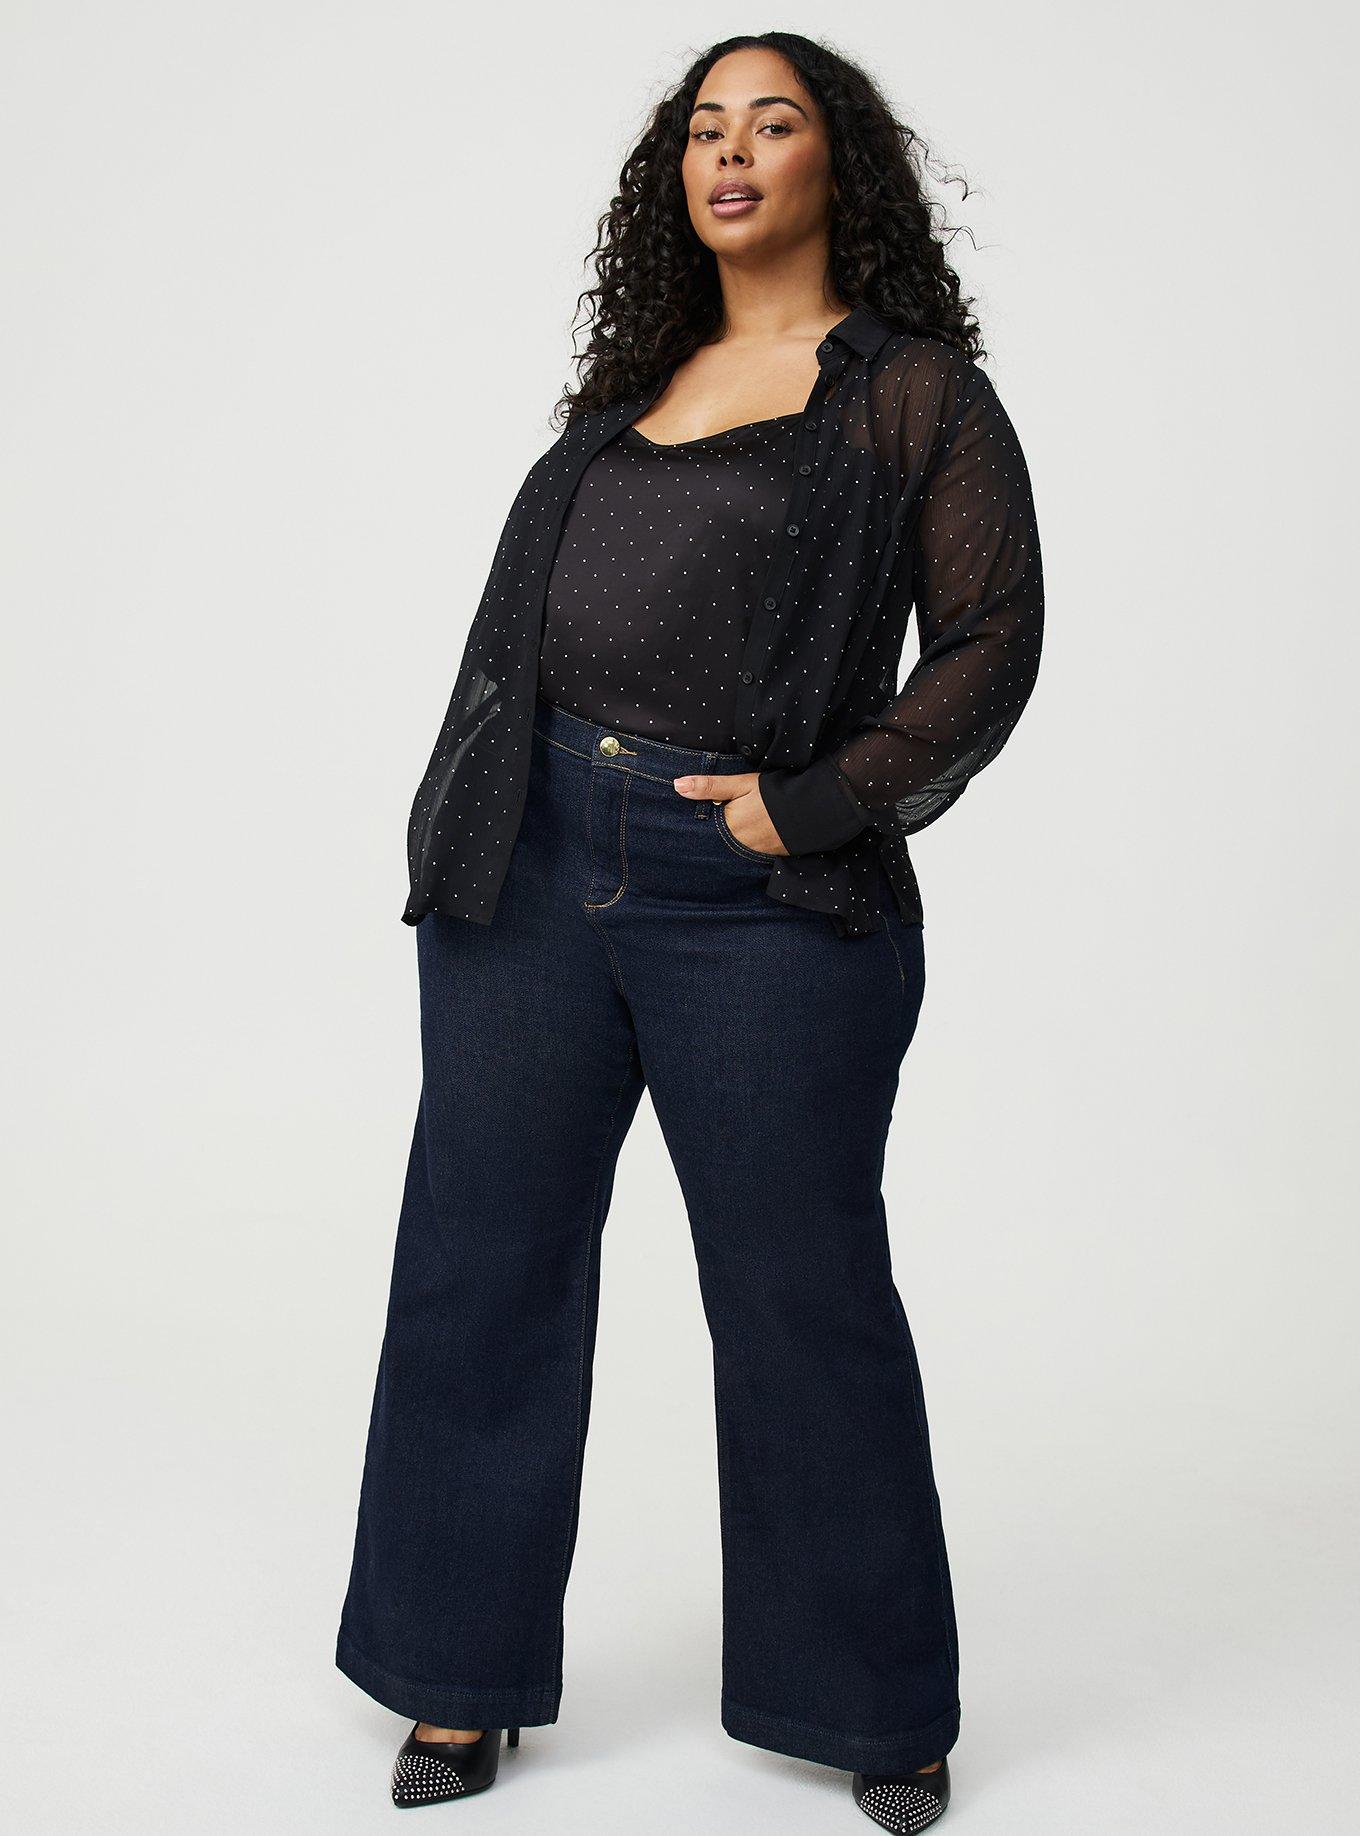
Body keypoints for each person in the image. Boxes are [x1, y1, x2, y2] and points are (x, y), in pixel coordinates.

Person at [336, 30, 1044, 1831]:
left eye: (772, 123)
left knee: (801, 1292)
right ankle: (455, 1676)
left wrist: (818, 801)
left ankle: (874, 1704)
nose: (730, 152)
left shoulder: (911, 395)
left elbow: (991, 644)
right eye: (705, 128)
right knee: (480, 1270)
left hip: (760, 895)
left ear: (836, 166)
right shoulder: (636, 384)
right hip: (529, 862)